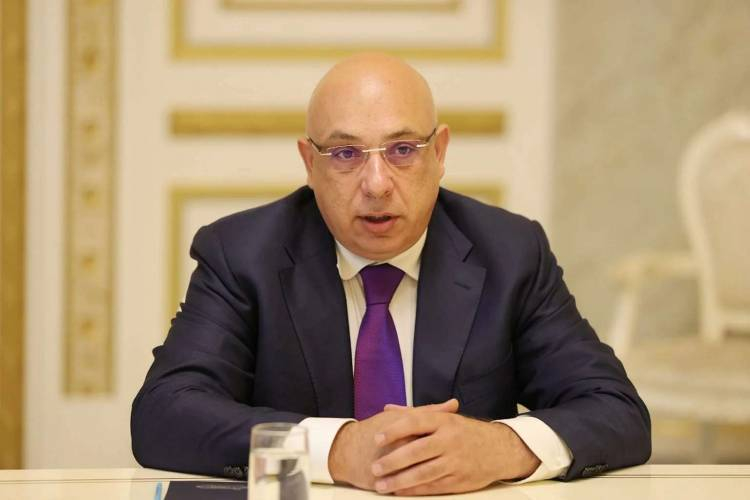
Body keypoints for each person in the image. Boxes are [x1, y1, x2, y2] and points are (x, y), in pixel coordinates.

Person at [131, 53, 650, 496]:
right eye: (345, 154)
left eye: (403, 150)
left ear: (439, 153)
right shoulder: (242, 255)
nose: (377, 184)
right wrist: (336, 448)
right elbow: (164, 414)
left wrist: (503, 446)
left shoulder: (510, 253)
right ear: (309, 163)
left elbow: (617, 410)